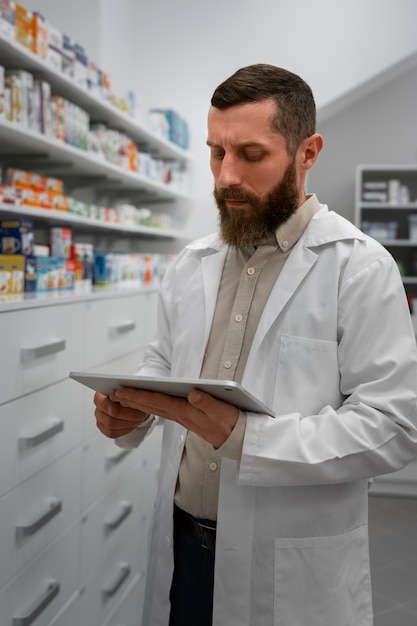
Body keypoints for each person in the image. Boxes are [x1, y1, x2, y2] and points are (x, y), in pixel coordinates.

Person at [94, 64, 417, 626]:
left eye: (250, 154)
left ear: (307, 151)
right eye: (217, 152)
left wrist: (245, 437)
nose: (225, 176)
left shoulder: (359, 267)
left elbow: (393, 426)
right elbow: (164, 362)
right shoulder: (191, 263)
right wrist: (133, 411)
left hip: (287, 564)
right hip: (182, 546)